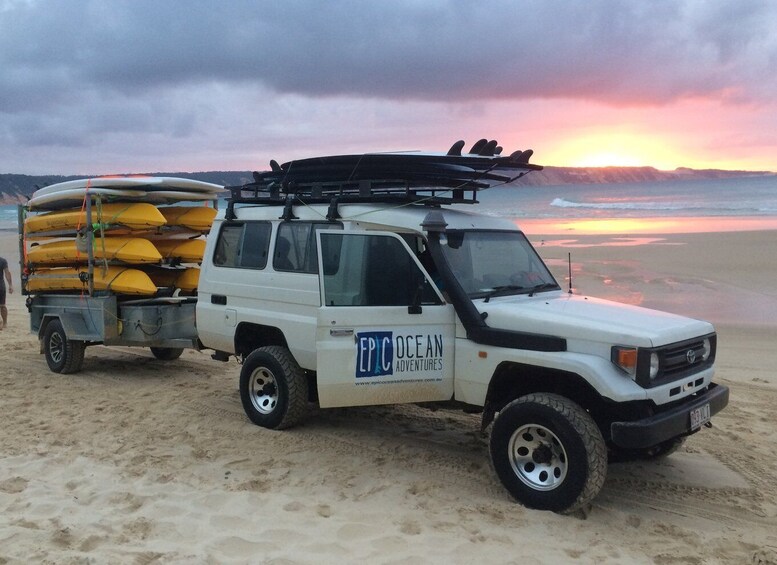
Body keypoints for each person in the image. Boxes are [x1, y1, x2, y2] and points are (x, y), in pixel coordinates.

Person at [0, 256, 12, 330]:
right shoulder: (2, 260)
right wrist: (10, 285)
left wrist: (10, 285)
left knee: (2, 305)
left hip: (0, 286)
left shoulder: (2, 261)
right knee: (2, 306)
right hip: (1, 286)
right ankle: (4, 323)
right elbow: (7, 273)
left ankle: (4, 323)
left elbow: (7, 273)